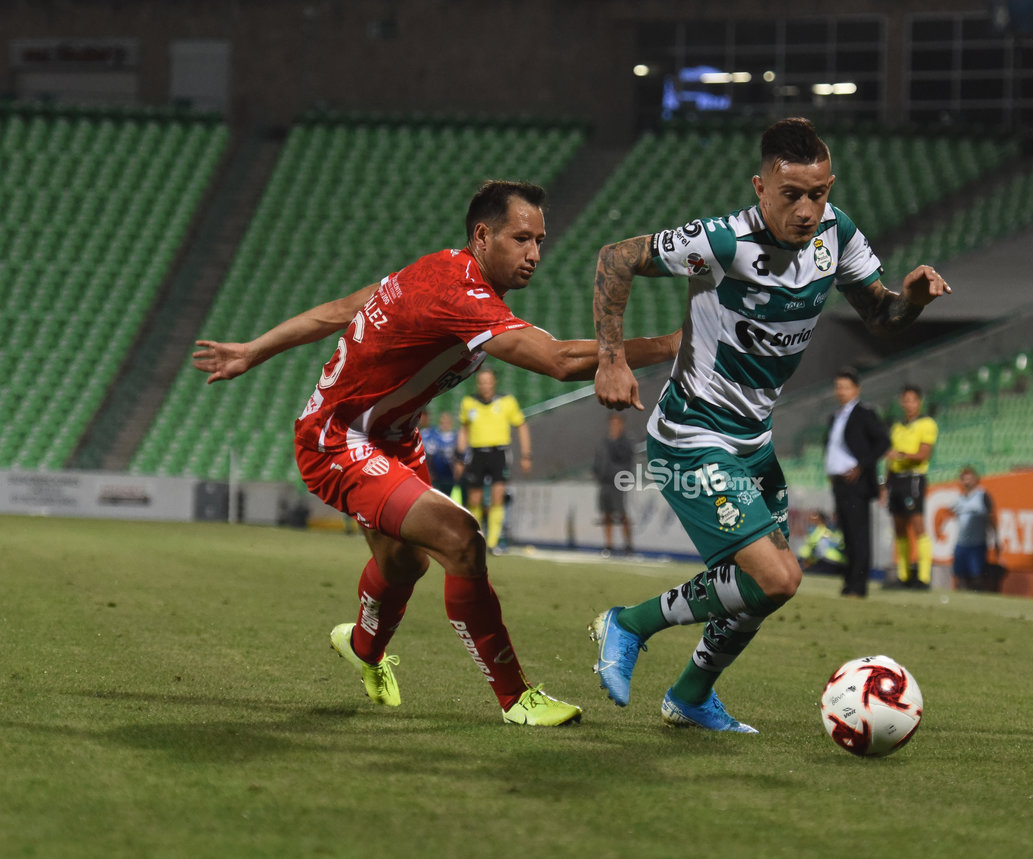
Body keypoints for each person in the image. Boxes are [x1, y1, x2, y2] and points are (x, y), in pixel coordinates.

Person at [192, 180, 680, 725]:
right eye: (522, 239)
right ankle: (516, 699)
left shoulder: (436, 269)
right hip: (338, 439)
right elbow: (560, 361)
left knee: (404, 564)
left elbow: (340, 310)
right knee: (461, 538)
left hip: (394, 439)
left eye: (540, 241)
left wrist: (254, 350)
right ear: (482, 234)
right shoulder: (458, 293)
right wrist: (671, 345)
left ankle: (362, 646)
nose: (535, 255)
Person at [587, 117, 951, 732]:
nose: (808, 210)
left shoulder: (837, 237)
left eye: (819, 193)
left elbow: (882, 317)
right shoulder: (725, 241)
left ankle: (691, 696)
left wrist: (911, 298)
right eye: (791, 195)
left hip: (752, 442)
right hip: (691, 434)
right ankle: (629, 624)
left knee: (768, 587)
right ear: (761, 188)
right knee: (777, 575)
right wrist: (612, 358)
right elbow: (614, 259)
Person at [824, 367, 890, 596]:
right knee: (847, 535)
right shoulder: (835, 415)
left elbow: (883, 442)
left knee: (859, 535)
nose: (841, 391)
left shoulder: (864, 413)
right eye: (838, 387)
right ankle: (848, 582)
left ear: (856, 389)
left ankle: (859, 586)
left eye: (845, 387)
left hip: (857, 483)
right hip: (839, 483)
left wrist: (861, 465)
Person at [457, 367, 528, 552]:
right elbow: (464, 430)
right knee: (474, 499)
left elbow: (521, 426)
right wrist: (459, 456)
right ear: (478, 384)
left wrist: (526, 455)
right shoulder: (468, 403)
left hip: (499, 453)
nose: (485, 385)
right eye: (482, 381)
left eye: (488, 381)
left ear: (494, 382)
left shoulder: (507, 402)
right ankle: (475, 540)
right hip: (477, 453)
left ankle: (493, 542)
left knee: (498, 496)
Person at [886, 384, 939, 589]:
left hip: (913, 478)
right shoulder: (897, 426)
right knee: (899, 527)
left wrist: (899, 455)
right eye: (905, 400)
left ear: (919, 402)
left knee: (917, 525)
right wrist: (886, 483)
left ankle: (924, 577)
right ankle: (904, 575)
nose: (908, 404)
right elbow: (889, 459)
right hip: (896, 478)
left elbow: (923, 454)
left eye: (912, 400)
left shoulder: (927, 424)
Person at [950, 466, 998, 591]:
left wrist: (996, 538)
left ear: (976, 480)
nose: (967, 482)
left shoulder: (983, 496)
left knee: (977, 575)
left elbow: (992, 518)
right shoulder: (959, 499)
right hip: (961, 543)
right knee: (959, 575)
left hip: (977, 543)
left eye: (970, 479)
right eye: (964, 479)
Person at [593, 413, 635, 556]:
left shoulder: (625, 442)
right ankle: (609, 545)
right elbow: (598, 459)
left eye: (617, 423)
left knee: (621, 514)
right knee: (606, 514)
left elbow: (626, 462)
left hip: (618, 483)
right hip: (604, 482)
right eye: (612, 423)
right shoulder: (604, 441)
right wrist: (598, 472)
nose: (614, 426)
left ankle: (628, 545)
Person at [417, 411, 458, 500]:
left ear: (451, 423)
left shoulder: (457, 437)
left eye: (447, 421)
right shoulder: (430, 436)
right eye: (443, 421)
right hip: (436, 476)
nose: (445, 424)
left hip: (452, 476)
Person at [796, 511, 847, 576]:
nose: (810, 523)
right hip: (820, 561)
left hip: (829, 562)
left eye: (814, 520)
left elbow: (819, 551)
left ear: (821, 521)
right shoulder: (817, 531)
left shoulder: (824, 532)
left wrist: (805, 565)